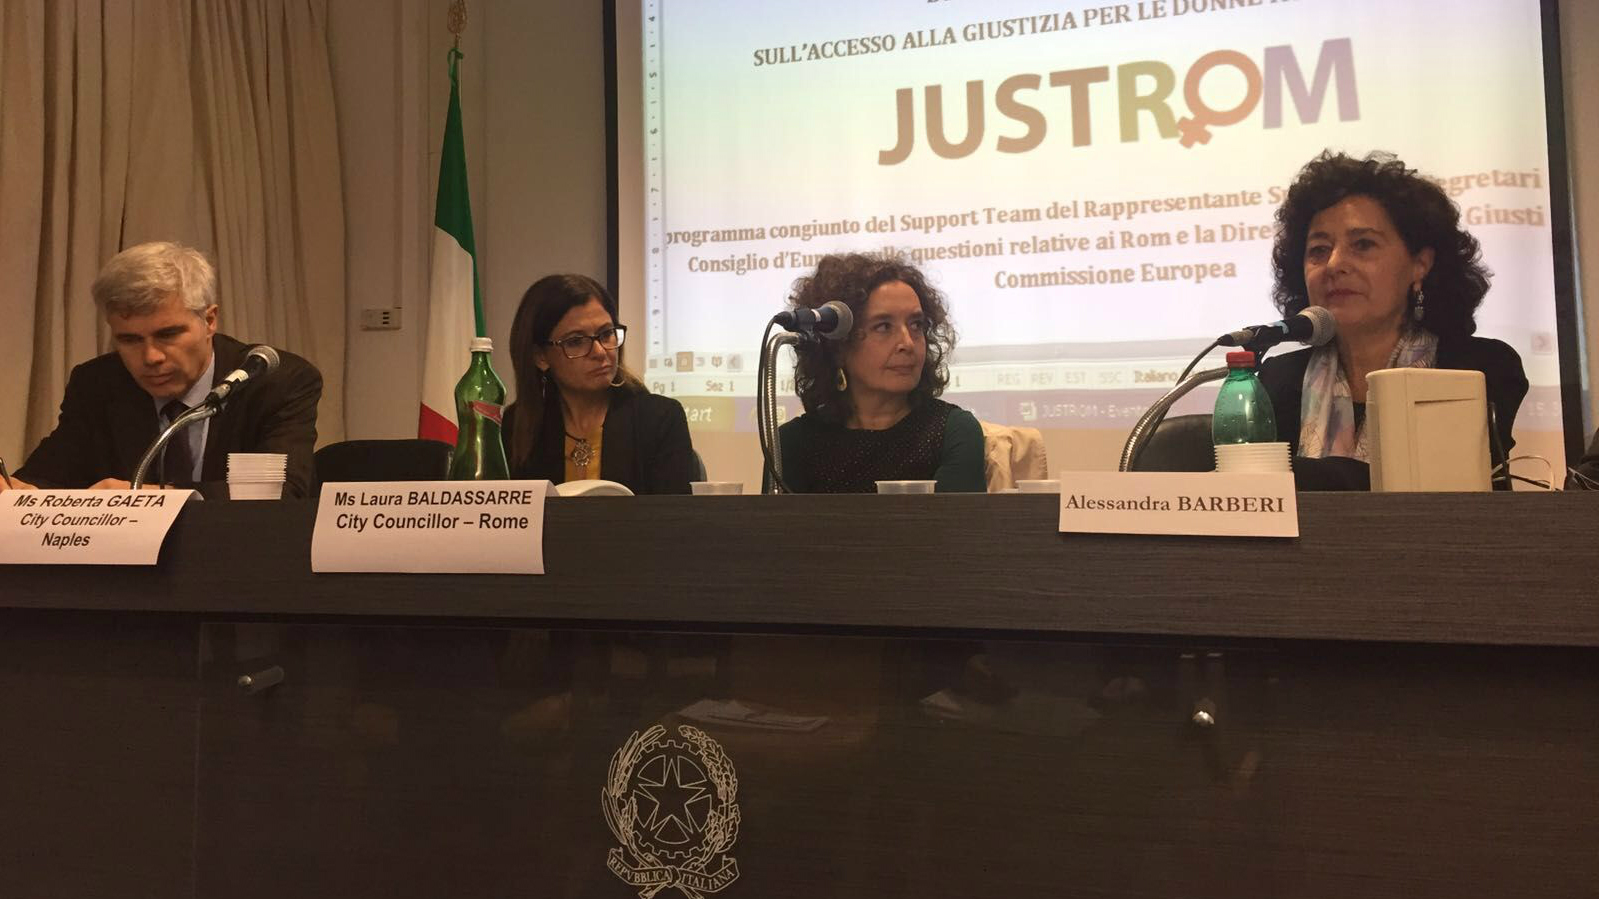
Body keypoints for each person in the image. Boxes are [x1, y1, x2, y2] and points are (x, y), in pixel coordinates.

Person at [1258, 151, 1528, 490]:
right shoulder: (1279, 381)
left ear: (1420, 265)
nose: (1335, 264)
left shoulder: (1479, 368)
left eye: (1363, 245)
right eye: (1319, 250)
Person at [9, 242, 322, 496]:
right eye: (130, 340)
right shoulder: (99, 383)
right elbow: (49, 475)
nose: (151, 357)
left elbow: (283, 493)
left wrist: (148, 497)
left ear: (209, 320)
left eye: (168, 334)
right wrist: (20, 491)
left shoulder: (273, 380)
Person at [776, 252, 985, 493]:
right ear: (838, 345)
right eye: (884, 327)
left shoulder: (953, 432)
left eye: (916, 325)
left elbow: (955, 519)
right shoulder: (794, 443)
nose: (907, 343)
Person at [502, 273, 694, 494]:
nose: (600, 352)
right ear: (540, 356)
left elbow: (674, 514)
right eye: (576, 341)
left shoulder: (659, 420)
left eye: (606, 334)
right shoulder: (515, 427)